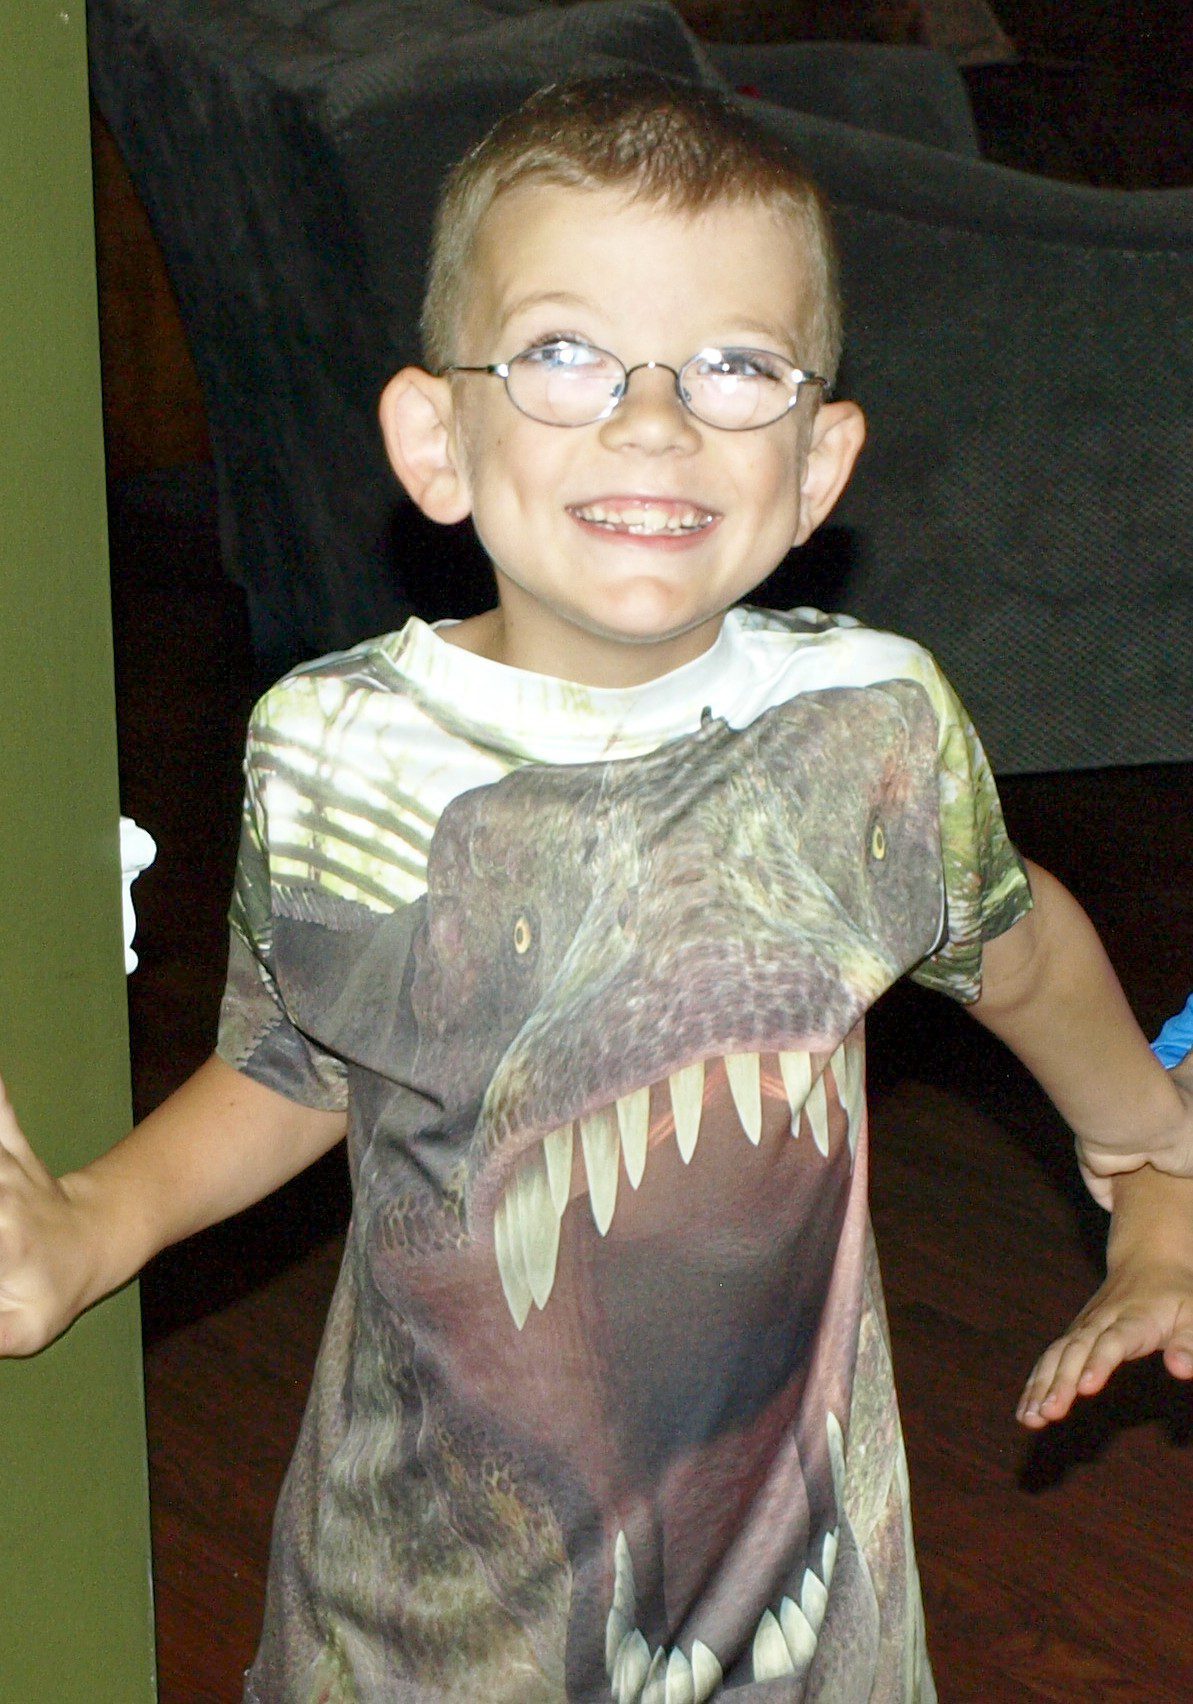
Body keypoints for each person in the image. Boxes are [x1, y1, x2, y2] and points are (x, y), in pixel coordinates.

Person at [2, 73, 1192, 1704]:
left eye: (734, 365)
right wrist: (86, 1227)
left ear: (816, 460)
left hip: (811, 1639)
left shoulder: (873, 729)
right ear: (435, 438)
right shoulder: (335, 744)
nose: (653, 419)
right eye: (564, 354)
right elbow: (300, 1060)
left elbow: (1012, 942)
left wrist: (1145, 1151)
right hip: (408, 1623)